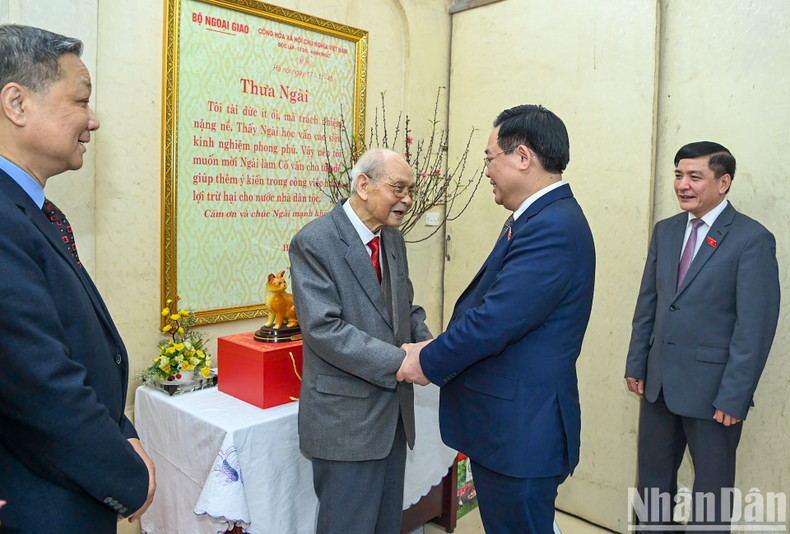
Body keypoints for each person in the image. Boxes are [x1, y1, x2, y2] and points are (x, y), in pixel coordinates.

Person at [398, 104, 596, 533]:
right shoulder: (534, 219)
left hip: (521, 433)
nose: (486, 170)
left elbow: (493, 321)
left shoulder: (552, 227)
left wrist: (426, 359)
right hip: (510, 428)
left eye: (490, 158)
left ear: (522, 157)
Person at [0, 24, 155, 532]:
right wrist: (129, 476)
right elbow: (39, 384)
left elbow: (74, 347)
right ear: (17, 104)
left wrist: (121, 428)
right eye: (81, 100)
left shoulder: (30, 210)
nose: (93, 121)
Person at [624, 141, 779, 530]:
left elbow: (755, 327)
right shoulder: (666, 231)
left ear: (724, 182)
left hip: (715, 395)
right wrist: (637, 362)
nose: (682, 184)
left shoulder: (751, 239)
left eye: (695, 176)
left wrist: (735, 395)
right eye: (678, 174)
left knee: (711, 498)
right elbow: (650, 304)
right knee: (652, 489)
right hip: (658, 385)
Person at [288, 148, 432, 534]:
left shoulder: (393, 241)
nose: (407, 199)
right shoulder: (315, 241)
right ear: (363, 185)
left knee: (386, 526)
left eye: (411, 190)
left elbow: (407, 309)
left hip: (393, 419)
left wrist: (432, 349)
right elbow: (324, 330)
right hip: (346, 425)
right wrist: (400, 363)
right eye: (398, 187)